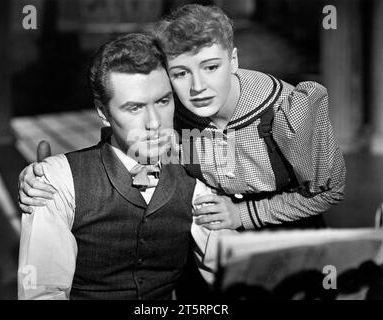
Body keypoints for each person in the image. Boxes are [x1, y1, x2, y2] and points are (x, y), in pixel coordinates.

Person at [20, 5, 346, 230]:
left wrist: (244, 214)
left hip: (286, 239)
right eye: (180, 73)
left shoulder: (290, 111)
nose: (198, 87)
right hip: (204, 245)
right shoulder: (170, 111)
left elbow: (328, 191)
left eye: (211, 67)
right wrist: (53, 178)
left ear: (233, 60)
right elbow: (125, 151)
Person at [17, 33, 229, 300]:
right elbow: (41, 293)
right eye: (134, 108)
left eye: (163, 101)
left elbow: (228, 268)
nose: (154, 122)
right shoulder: (57, 181)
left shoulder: (197, 170)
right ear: (103, 113)